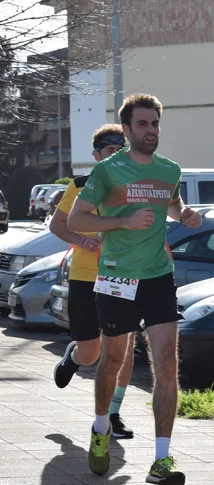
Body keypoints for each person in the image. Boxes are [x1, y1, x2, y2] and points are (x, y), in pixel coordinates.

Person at [68, 93, 202, 485]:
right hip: (116, 277)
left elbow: (171, 204)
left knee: (167, 365)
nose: (151, 131)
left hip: (158, 277)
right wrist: (123, 221)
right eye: (143, 124)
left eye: (155, 124)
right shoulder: (108, 171)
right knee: (112, 359)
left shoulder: (169, 170)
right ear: (126, 130)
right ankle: (100, 427)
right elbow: (77, 220)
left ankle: (161, 460)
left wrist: (184, 214)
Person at [50, 124, 137, 440]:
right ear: (97, 155)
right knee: (91, 354)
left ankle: (113, 414)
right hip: (86, 277)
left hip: (123, 276)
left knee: (123, 348)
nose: (116, 156)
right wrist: (80, 240)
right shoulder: (80, 186)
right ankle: (74, 356)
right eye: (110, 151)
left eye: (121, 150)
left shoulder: (135, 186)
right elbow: (57, 225)